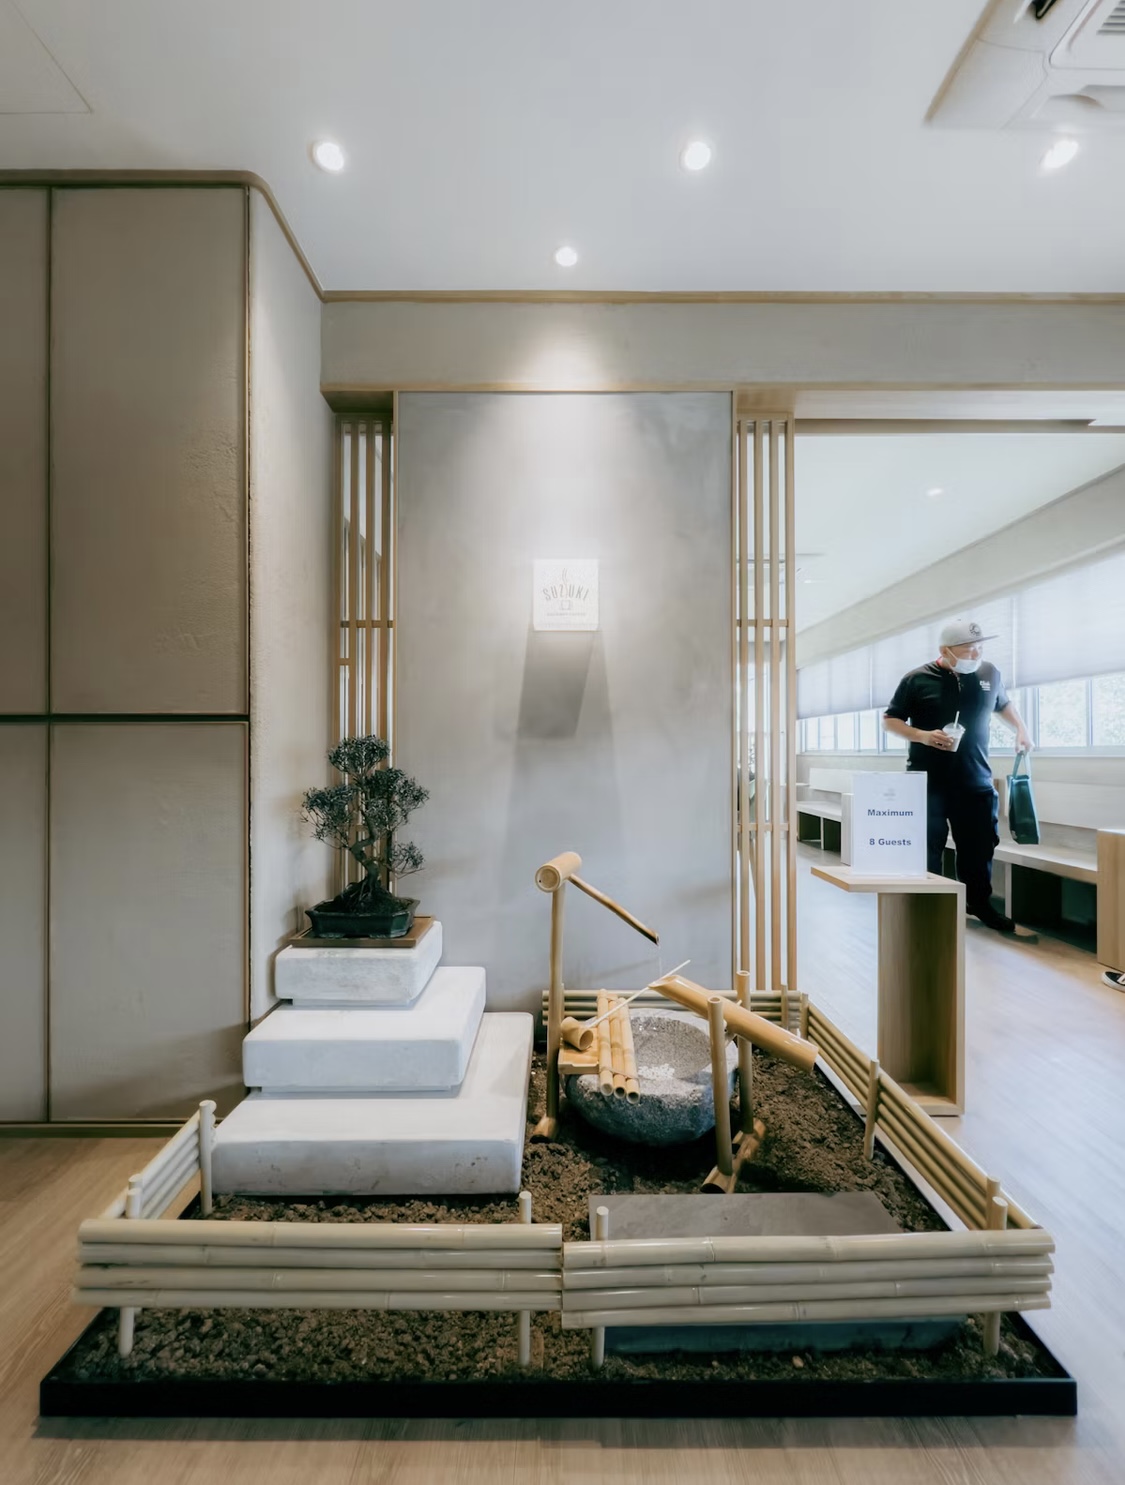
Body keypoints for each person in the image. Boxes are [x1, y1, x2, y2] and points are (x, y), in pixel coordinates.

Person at [883, 618, 1033, 934]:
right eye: (967, 649)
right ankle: (928, 905)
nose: (975, 654)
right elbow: (890, 720)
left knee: (979, 847)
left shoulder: (990, 673)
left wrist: (1021, 729)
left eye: (979, 648)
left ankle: (978, 904)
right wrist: (923, 736)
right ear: (945, 651)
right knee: (928, 847)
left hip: (976, 780)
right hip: (928, 782)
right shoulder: (916, 679)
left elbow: (1003, 704)